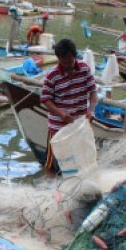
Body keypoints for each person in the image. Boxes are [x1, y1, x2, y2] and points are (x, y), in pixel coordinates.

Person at [40, 38, 98, 174]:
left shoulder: (84, 69)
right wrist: (62, 115)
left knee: (81, 159)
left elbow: (93, 92)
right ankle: (51, 189)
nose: (68, 66)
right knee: (51, 162)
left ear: (74, 56)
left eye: (70, 61)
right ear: (58, 58)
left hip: (80, 124)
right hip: (58, 126)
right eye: (63, 62)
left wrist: (91, 110)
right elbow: (45, 99)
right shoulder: (52, 75)